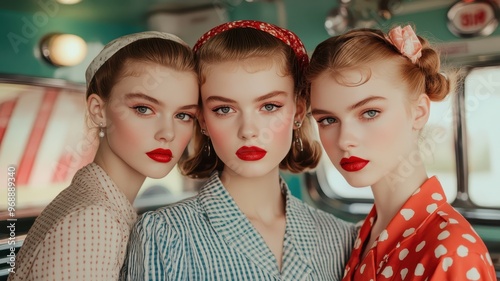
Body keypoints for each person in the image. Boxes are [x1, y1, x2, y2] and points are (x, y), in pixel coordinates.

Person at [123, 20, 357, 281]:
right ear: (203, 120)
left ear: (299, 110)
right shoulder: (163, 234)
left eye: (269, 106)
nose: (248, 130)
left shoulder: (343, 238)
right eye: (224, 109)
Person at [307, 25, 496, 280]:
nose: (344, 140)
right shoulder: (366, 232)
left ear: (418, 112)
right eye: (328, 120)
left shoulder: (453, 252)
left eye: (370, 112)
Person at [8, 31, 199, 281]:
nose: (168, 133)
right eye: (144, 109)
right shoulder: (95, 220)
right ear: (99, 111)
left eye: (183, 115)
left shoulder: (98, 204)